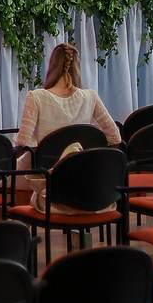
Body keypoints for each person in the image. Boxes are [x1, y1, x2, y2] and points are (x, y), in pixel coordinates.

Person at [15, 42, 122, 214]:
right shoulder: (91, 96)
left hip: (47, 174)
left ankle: (19, 222)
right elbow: (115, 137)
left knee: (5, 177)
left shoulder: (36, 97)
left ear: (52, 65)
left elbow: (23, 142)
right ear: (77, 66)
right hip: (81, 173)